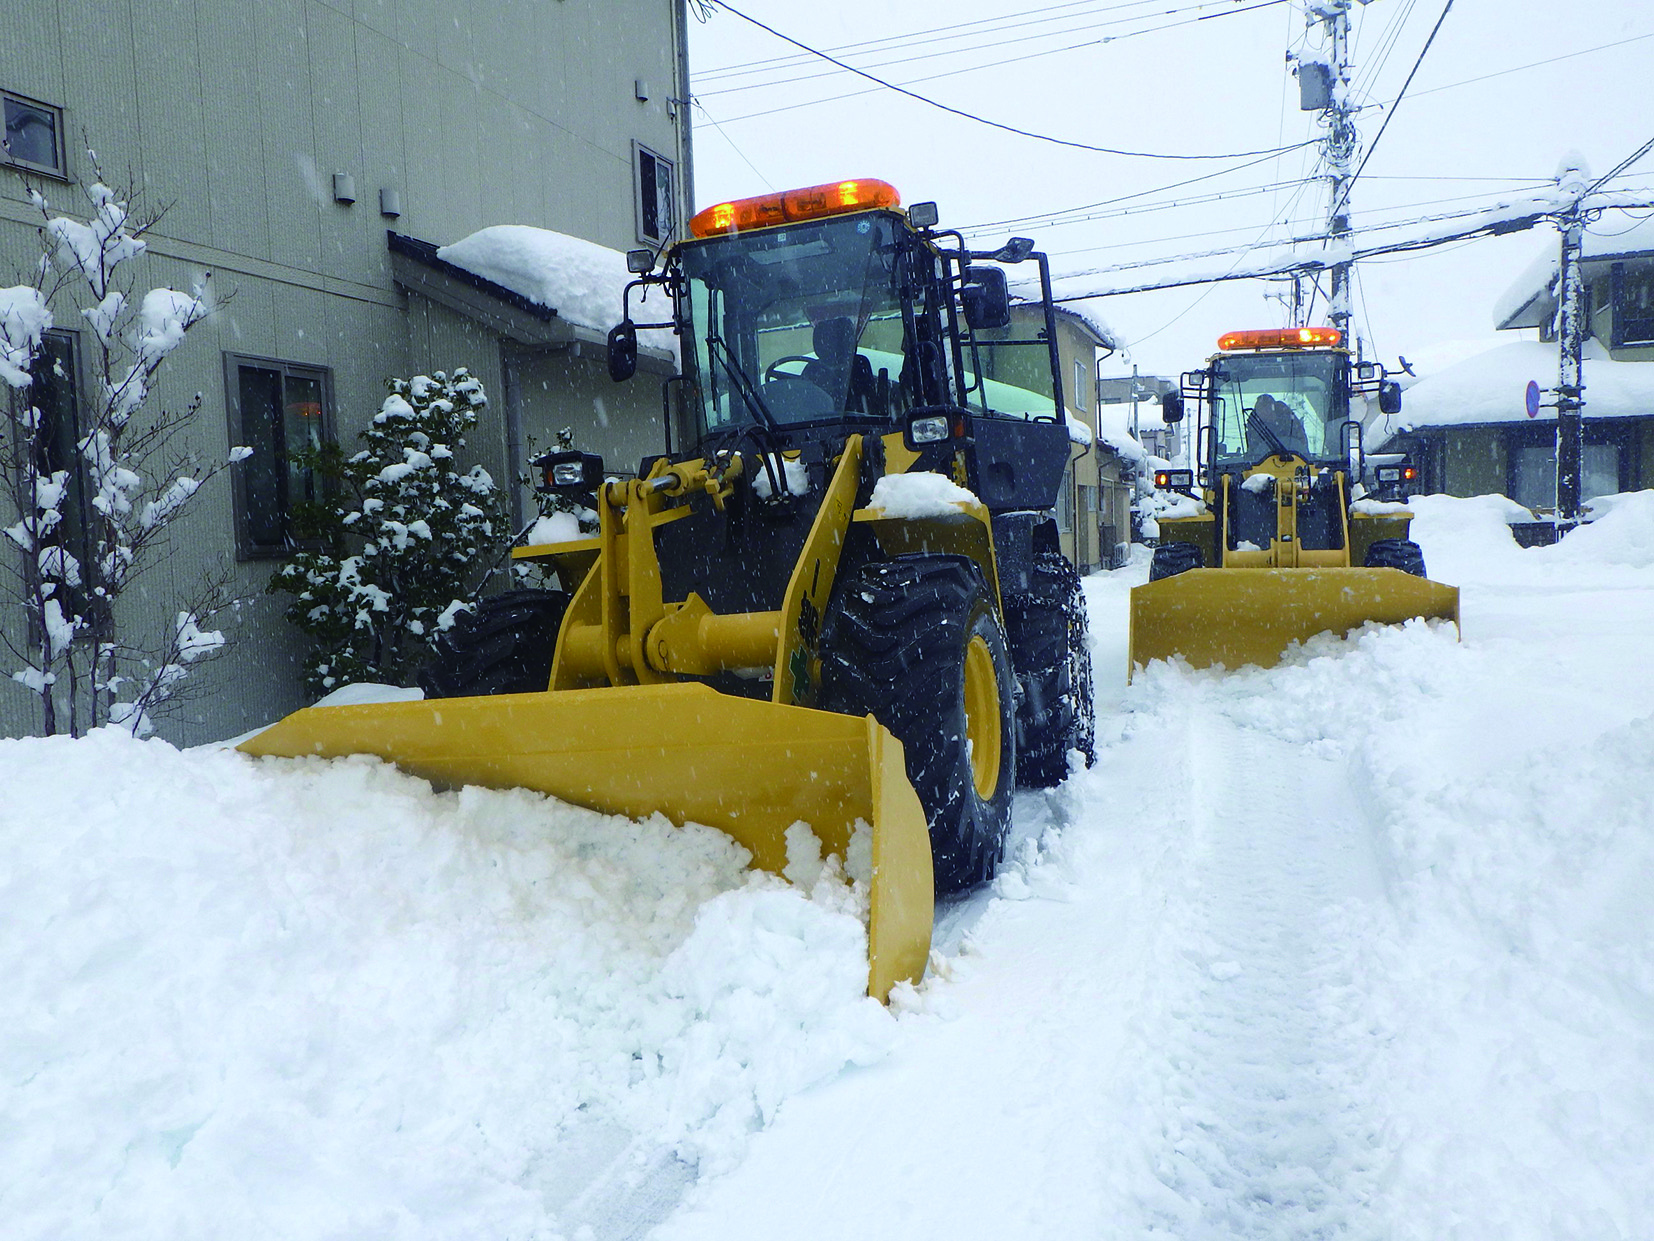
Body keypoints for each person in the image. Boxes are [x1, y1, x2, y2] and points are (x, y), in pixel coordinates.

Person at [803, 316, 877, 414]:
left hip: (856, 424)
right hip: (819, 425)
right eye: (827, 340)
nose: (831, 345)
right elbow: (802, 407)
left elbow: (871, 408)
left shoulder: (859, 366)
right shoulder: (812, 369)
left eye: (836, 339)